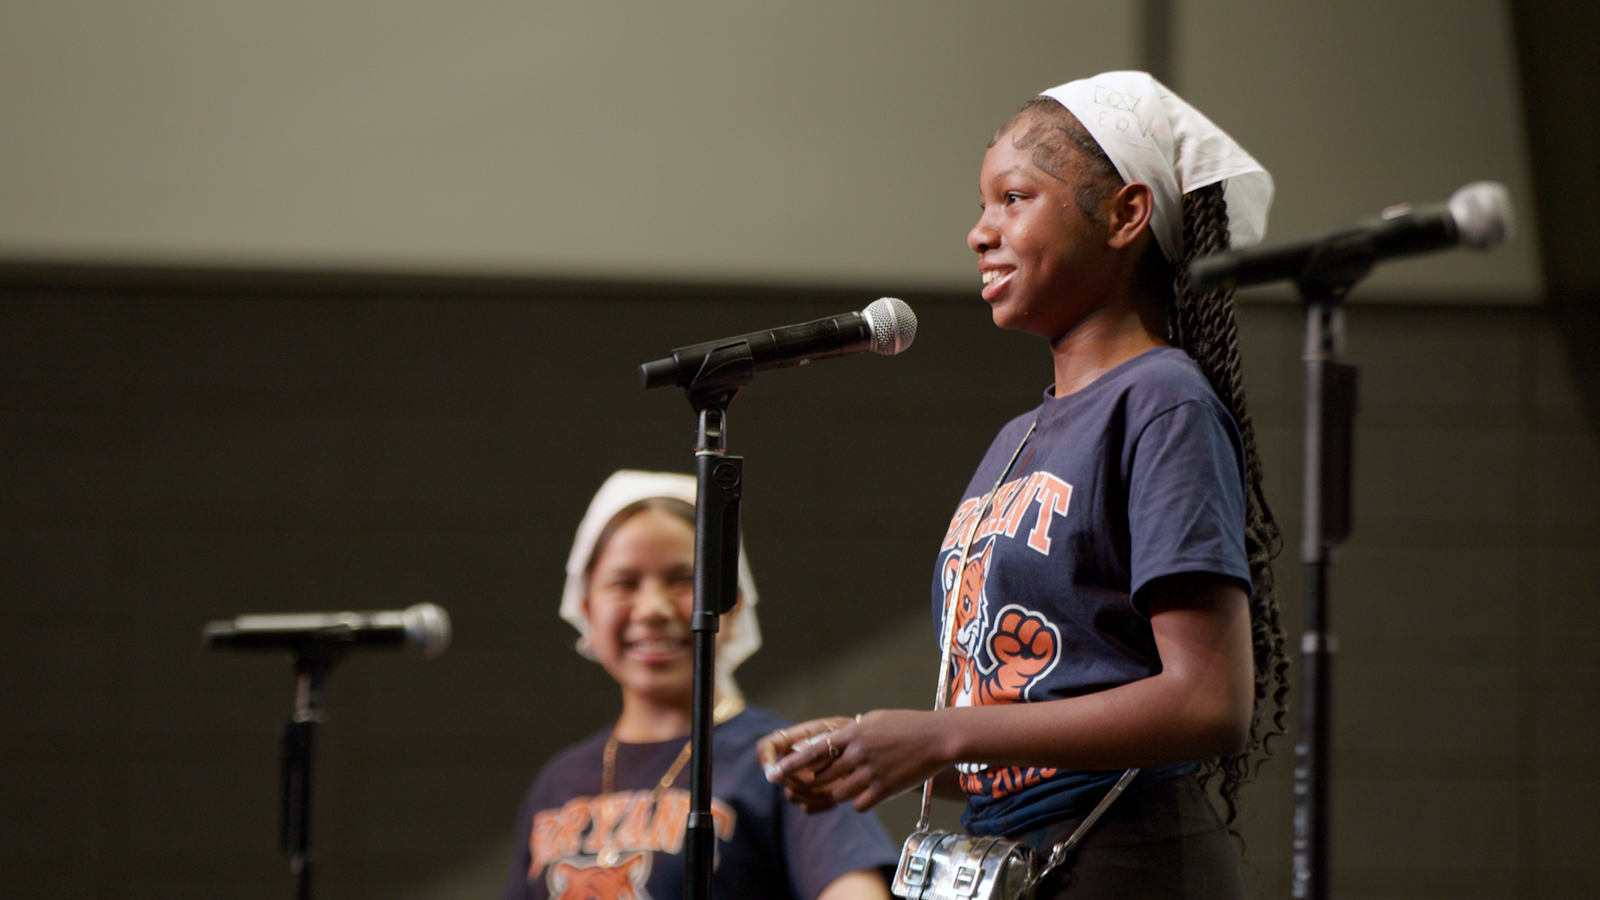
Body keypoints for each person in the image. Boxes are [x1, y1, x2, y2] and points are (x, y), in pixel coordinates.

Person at [759, 72, 1290, 898]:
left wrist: (940, 735)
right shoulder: (1019, 437)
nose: (980, 233)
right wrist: (877, 749)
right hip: (1026, 855)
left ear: (1126, 215)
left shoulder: (1163, 399)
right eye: (983, 206)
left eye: (1013, 199)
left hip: (1128, 862)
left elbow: (1208, 702)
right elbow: (1036, 714)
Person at [503, 470, 898, 900]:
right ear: (586, 609)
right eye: (624, 583)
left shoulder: (784, 763)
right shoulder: (558, 781)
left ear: (733, 605)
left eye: (683, 580)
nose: (653, 608)